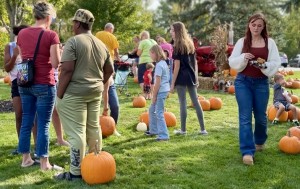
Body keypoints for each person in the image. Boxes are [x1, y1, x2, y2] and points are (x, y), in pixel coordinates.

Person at [55, 9, 114, 180]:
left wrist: (59, 95)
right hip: (95, 92)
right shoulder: (100, 44)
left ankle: (76, 172)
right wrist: (99, 83)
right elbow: (109, 70)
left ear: (78, 24)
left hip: (74, 93)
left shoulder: (73, 42)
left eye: (74, 22)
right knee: (93, 127)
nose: (72, 25)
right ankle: (95, 163)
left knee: (76, 133)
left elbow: (66, 70)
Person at [228, 13, 281, 165]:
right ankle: (247, 152)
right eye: (253, 24)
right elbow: (232, 61)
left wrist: (264, 65)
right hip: (243, 82)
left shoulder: (269, 42)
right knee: (245, 117)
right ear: (249, 25)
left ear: (263, 27)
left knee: (261, 117)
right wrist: (244, 57)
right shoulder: (242, 42)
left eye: (259, 25)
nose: (256, 28)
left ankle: (259, 140)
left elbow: (275, 62)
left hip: (261, 83)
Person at [17, 1, 61, 170]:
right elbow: (56, 63)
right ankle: (44, 163)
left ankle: (25, 159)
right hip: (44, 82)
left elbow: (23, 58)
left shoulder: (21, 33)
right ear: (48, 17)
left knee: (27, 119)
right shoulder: (51, 35)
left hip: (25, 81)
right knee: (43, 123)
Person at [3, 25, 38, 155]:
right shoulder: (10, 46)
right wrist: (15, 56)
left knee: (33, 115)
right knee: (19, 114)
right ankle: (22, 146)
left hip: (30, 80)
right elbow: (6, 68)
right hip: (16, 82)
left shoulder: (32, 44)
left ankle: (36, 146)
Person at [170, 22, 207, 136]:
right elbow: (194, 63)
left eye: (172, 30)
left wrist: (172, 84)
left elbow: (176, 67)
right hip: (191, 76)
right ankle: (203, 130)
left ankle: (183, 130)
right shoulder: (190, 44)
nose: (171, 32)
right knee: (196, 102)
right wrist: (196, 77)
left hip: (181, 77)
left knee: (183, 103)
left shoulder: (177, 46)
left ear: (177, 31)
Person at [96, 23, 121, 136]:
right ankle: (94, 130)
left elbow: (106, 89)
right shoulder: (95, 64)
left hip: (108, 84)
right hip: (97, 85)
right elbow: (116, 52)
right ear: (111, 29)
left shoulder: (98, 34)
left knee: (115, 106)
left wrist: (106, 107)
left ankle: (112, 127)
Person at [145, 45, 170, 141]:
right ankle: (154, 130)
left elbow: (158, 82)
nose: (150, 56)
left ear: (155, 53)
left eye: (151, 54)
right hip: (164, 90)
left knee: (159, 113)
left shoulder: (159, 65)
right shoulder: (163, 63)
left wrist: (154, 96)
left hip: (160, 91)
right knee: (152, 110)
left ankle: (164, 135)